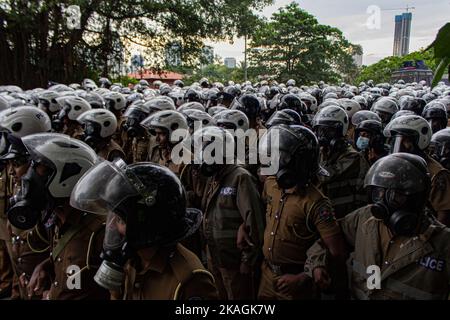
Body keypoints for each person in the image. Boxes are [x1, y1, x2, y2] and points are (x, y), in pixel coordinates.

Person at [306, 153, 450, 300]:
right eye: (379, 193)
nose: (383, 203)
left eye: (396, 196)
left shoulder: (443, 243)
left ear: (417, 198)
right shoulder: (366, 218)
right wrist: (318, 264)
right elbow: (328, 240)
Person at [70, 160, 218, 300]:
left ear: (144, 225)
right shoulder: (134, 259)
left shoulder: (189, 280)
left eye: (120, 220)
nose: (111, 226)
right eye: (111, 217)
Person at [257, 125, 347, 300]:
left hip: (297, 285)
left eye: (279, 157)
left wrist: (304, 277)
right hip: (267, 276)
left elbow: (337, 252)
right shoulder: (271, 185)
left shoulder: (316, 203)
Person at [21, 133, 108, 300]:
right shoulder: (57, 218)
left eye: (43, 172)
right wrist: (45, 264)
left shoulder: (100, 231)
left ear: (67, 178)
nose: (32, 179)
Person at [194, 126, 265, 300]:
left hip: (235, 262)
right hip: (216, 259)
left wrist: (247, 261)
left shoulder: (240, 178)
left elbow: (254, 223)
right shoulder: (213, 178)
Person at [384, 115, 450, 226]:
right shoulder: (396, 165)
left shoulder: (435, 173)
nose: (399, 146)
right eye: (396, 141)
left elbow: (443, 214)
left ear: (420, 140)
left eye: (405, 141)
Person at [312, 106, 369, 219]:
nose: (322, 135)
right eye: (320, 130)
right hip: (327, 214)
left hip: (346, 217)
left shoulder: (352, 157)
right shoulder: (323, 152)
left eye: (328, 131)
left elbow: (324, 175)